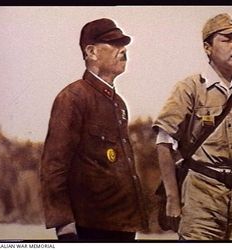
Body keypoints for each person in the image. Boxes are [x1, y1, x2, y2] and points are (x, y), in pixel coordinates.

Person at [153, 13, 232, 240]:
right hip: (202, 195)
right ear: (207, 48)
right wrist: (172, 197)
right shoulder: (190, 88)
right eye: (226, 40)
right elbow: (164, 142)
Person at [40, 18, 148, 241]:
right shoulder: (72, 98)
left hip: (123, 225)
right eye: (114, 44)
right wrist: (64, 223)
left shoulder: (119, 104)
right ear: (91, 51)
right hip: (89, 228)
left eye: (124, 44)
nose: (123, 50)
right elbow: (54, 166)